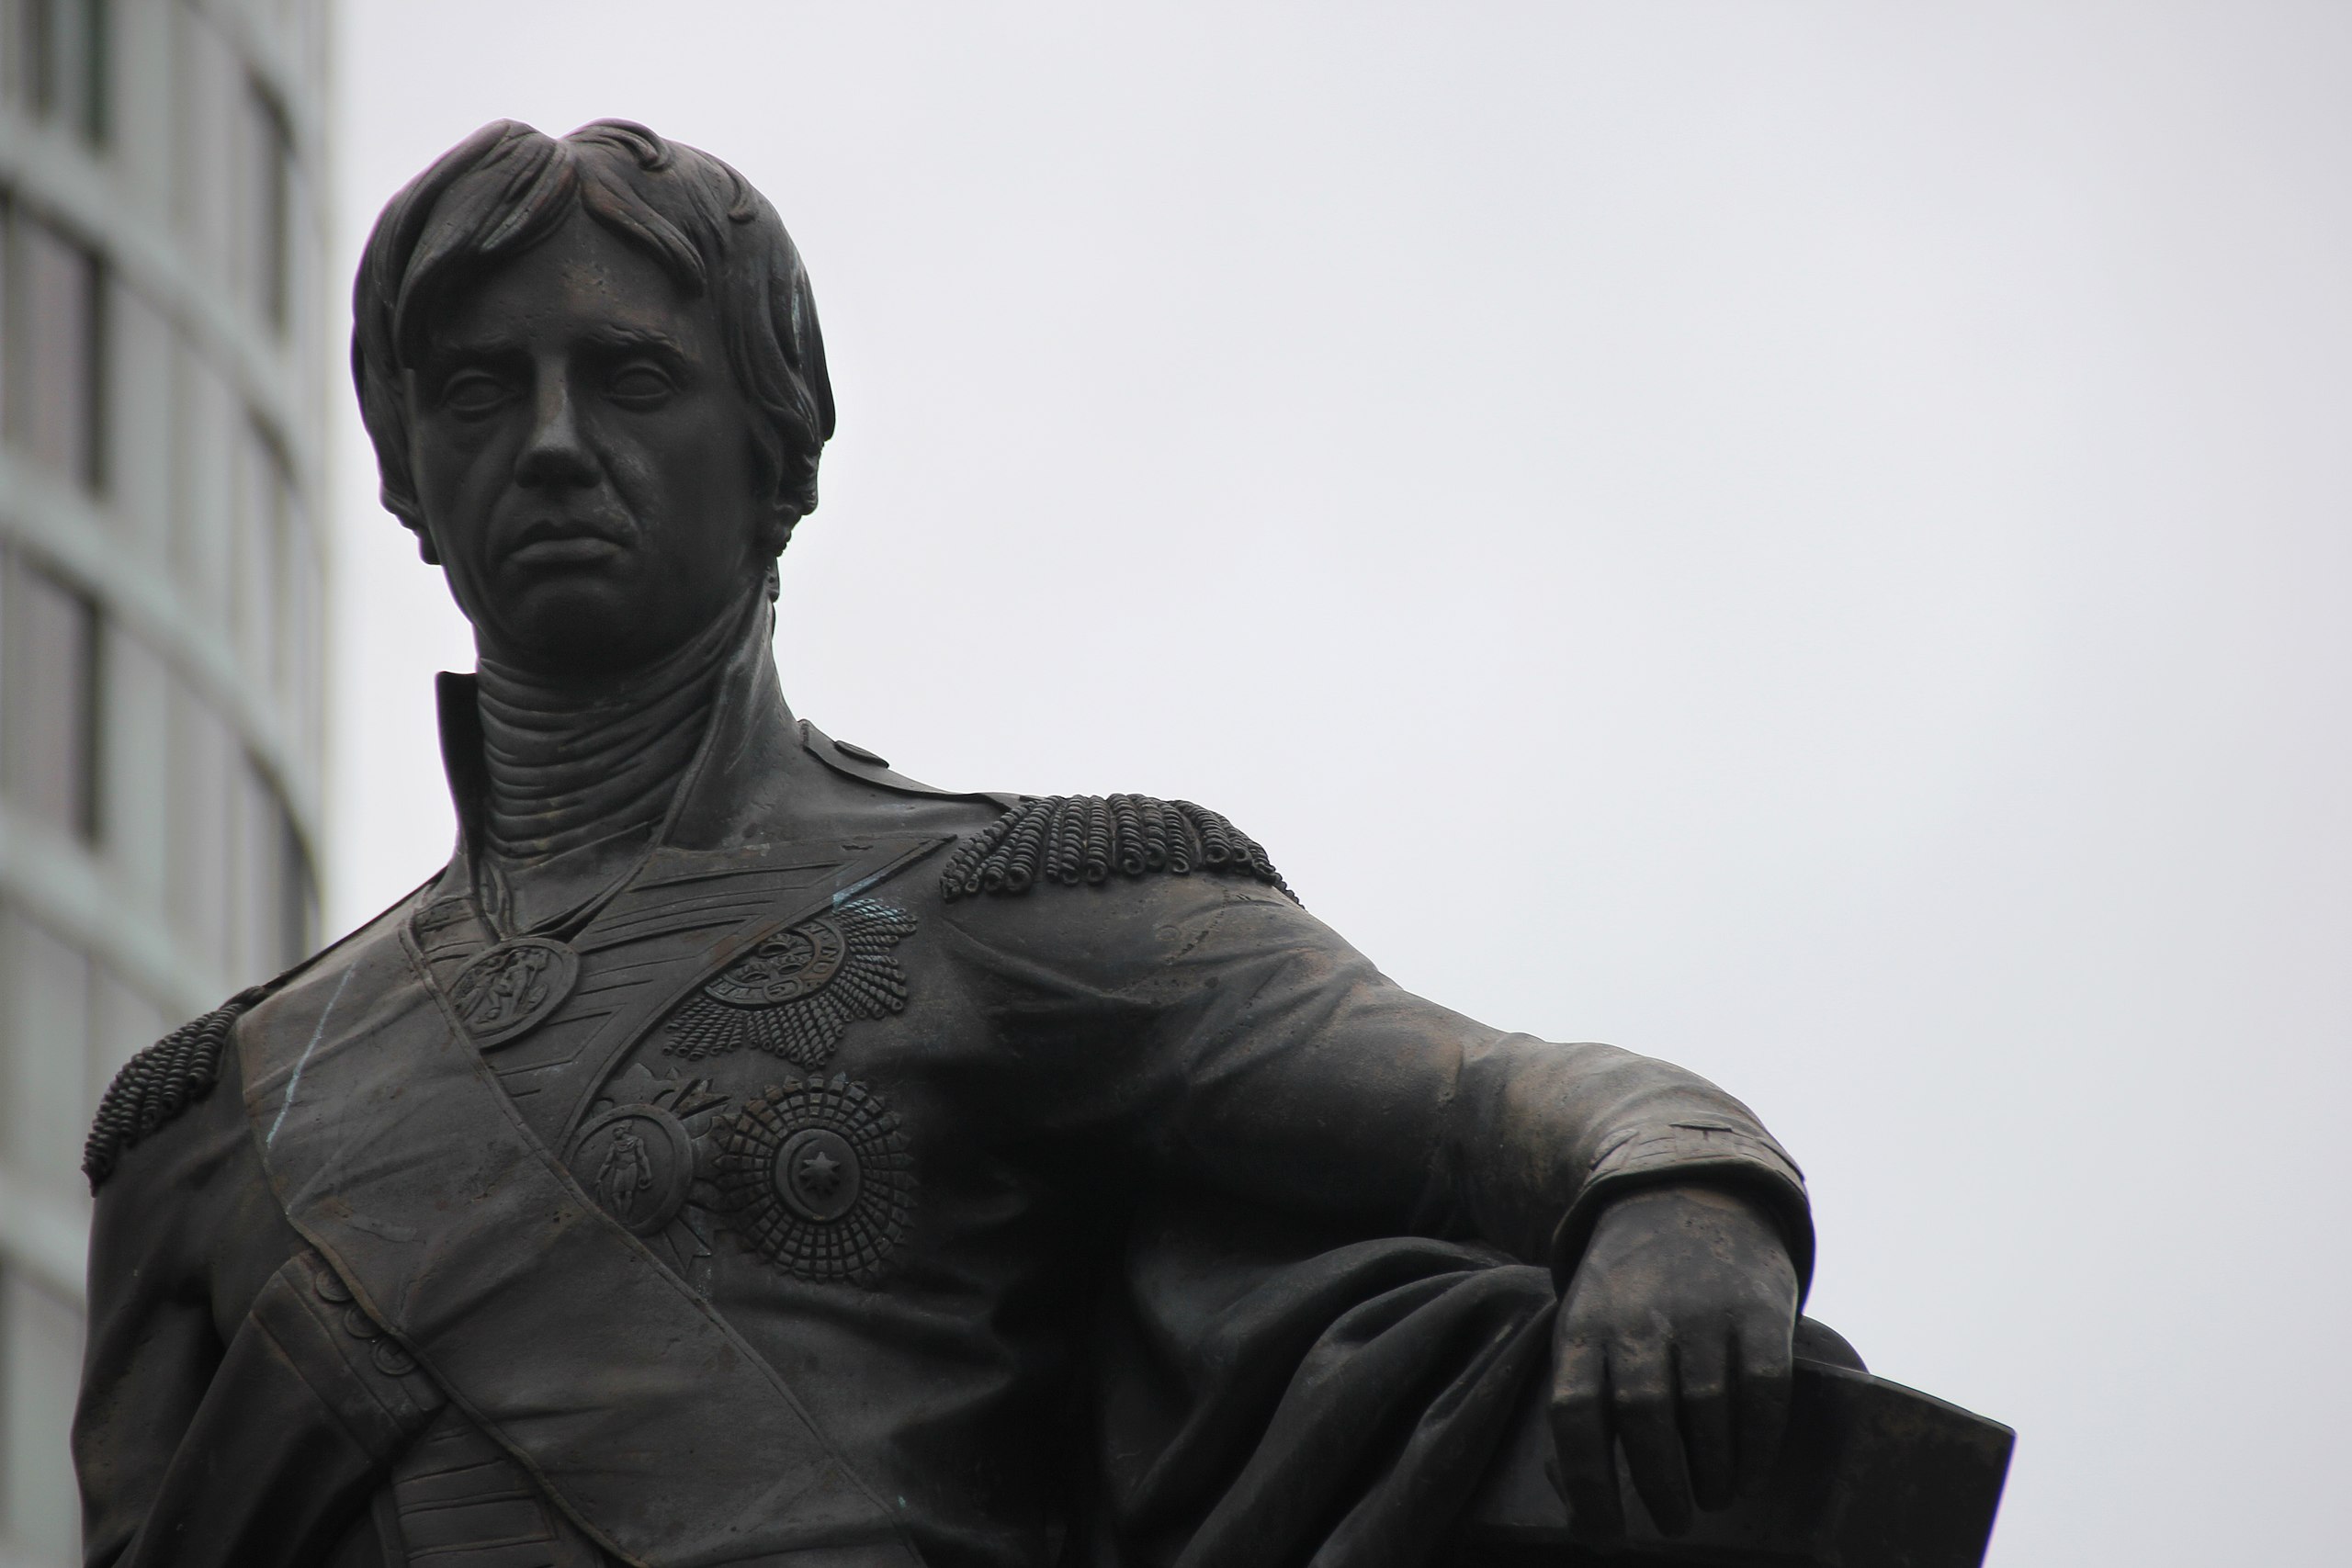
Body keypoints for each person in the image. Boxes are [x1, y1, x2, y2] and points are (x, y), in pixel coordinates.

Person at [74, 121, 1817, 1568]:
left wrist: (1679, 1181)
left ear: (778, 460)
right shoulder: (208, 1124)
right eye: (476, 390)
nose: (549, 442)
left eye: (627, 378)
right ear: (402, 472)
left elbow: (1478, 1104)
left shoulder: (1020, 910)